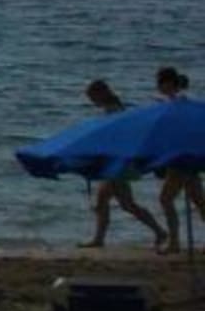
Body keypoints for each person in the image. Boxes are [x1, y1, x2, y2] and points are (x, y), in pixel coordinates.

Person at [79, 80, 166, 249]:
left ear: (100, 94)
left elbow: (116, 137)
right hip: (118, 163)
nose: (91, 101)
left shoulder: (113, 110)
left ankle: (159, 232)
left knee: (124, 204)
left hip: (118, 164)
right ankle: (99, 239)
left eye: (92, 97)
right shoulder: (114, 108)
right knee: (111, 202)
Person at [153, 67, 204, 253]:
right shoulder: (174, 100)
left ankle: (174, 242)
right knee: (198, 200)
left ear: (169, 83)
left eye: (160, 82)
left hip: (181, 158)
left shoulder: (179, 101)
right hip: (183, 156)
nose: (158, 86)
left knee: (165, 199)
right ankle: (174, 242)